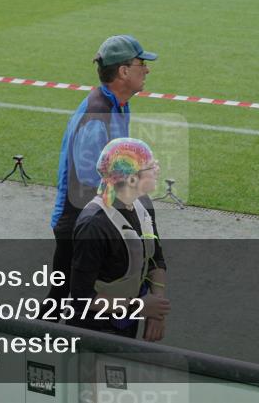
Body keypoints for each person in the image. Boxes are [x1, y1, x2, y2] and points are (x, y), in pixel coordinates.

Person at [47, 35, 156, 305]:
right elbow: (91, 178)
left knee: (70, 296)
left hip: (96, 216)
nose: (147, 70)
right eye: (141, 64)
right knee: (72, 298)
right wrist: (137, 182)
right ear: (123, 71)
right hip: (81, 222)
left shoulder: (119, 105)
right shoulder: (98, 115)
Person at [69, 138, 169, 341]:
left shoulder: (143, 204)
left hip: (126, 323)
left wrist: (156, 308)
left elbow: (154, 258)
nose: (157, 169)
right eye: (151, 166)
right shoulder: (94, 226)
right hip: (93, 332)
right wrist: (138, 306)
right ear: (131, 179)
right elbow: (82, 299)